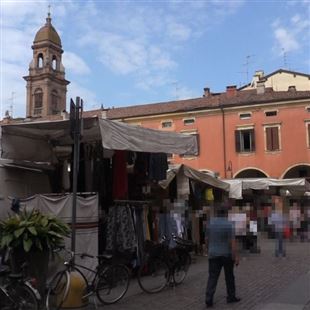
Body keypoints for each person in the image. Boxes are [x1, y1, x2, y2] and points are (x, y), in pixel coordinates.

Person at [205, 202, 241, 308]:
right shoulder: (229, 224)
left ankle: (208, 298)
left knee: (212, 277)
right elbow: (232, 243)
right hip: (226, 255)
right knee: (229, 277)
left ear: (217, 213)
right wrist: (236, 257)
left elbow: (206, 239)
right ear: (226, 214)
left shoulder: (210, 223)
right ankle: (231, 296)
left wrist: (209, 250)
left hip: (213, 254)